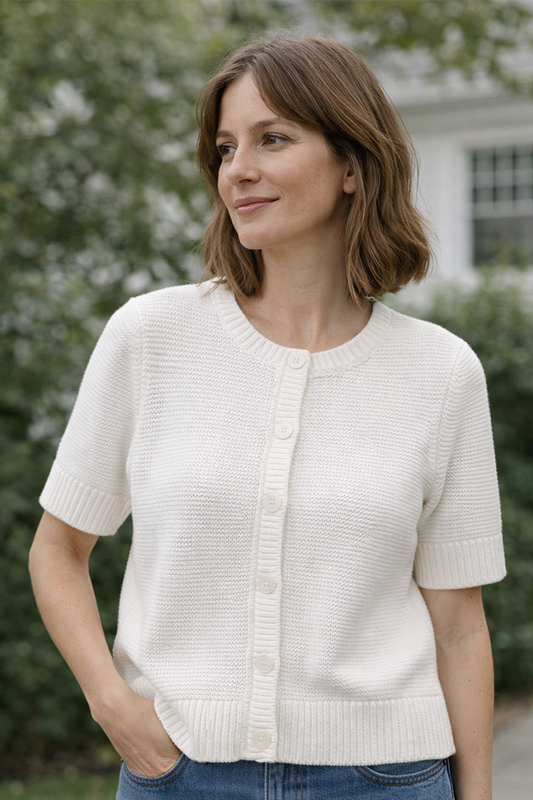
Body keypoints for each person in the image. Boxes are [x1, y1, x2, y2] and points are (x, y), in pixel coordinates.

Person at [29, 36, 506, 800]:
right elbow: (58, 549)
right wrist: (114, 706)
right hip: (177, 774)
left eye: (271, 138)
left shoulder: (440, 372)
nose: (237, 170)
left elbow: (457, 625)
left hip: (385, 779)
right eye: (224, 148)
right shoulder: (151, 338)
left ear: (352, 164)